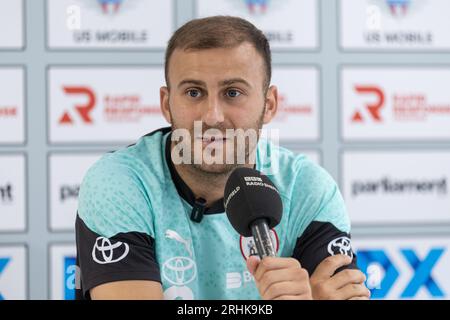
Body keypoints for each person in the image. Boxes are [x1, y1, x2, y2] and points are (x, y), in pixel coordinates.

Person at [75, 16, 370, 300]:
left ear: (269, 105)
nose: (212, 116)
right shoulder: (120, 182)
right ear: (167, 104)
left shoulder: (307, 188)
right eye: (193, 92)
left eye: (232, 92)